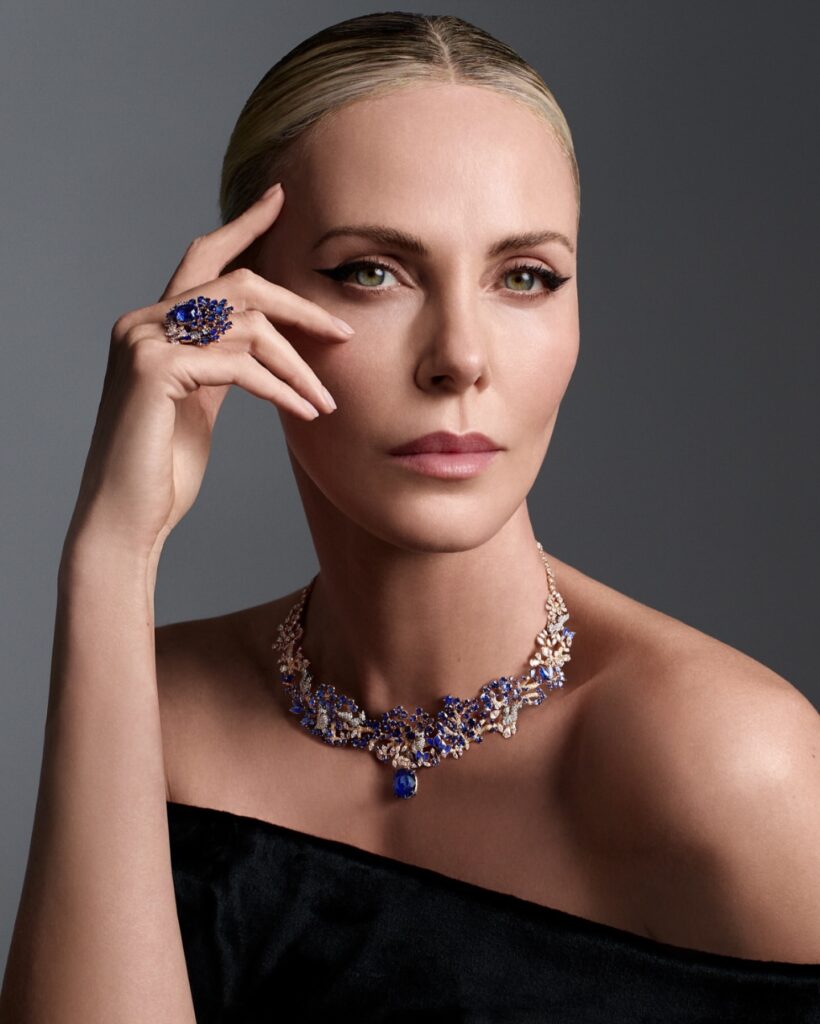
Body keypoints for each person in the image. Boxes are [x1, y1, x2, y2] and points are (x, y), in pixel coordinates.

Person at [1, 10, 818, 1023]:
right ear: (240, 307)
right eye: (373, 271)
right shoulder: (162, 709)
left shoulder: (734, 762)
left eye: (525, 277)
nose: (460, 358)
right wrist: (111, 552)